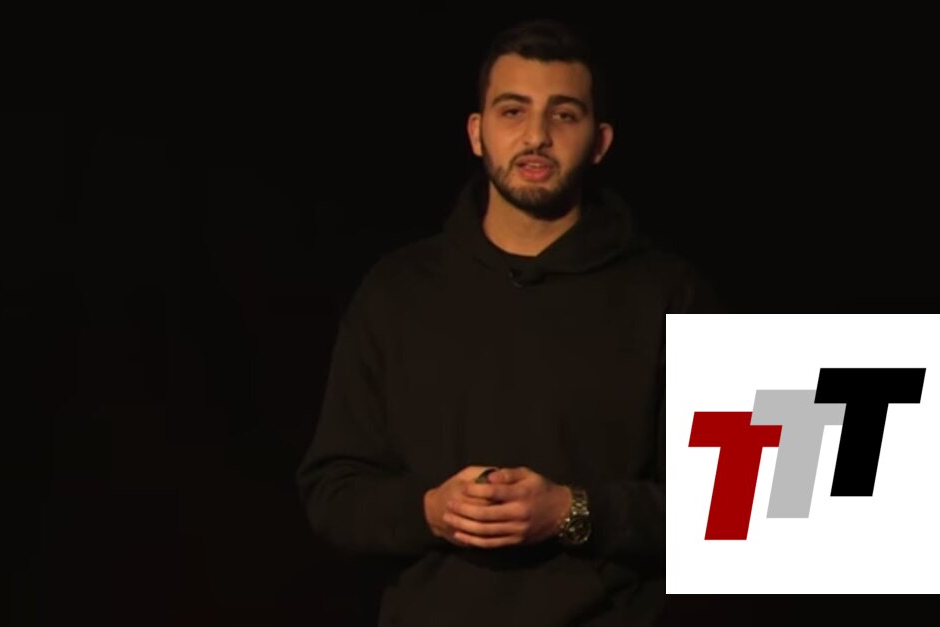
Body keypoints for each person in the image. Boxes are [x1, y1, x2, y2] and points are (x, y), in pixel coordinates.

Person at [295, 18, 719, 627]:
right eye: (513, 111)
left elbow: (731, 506)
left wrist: (572, 511)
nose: (537, 136)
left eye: (564, 115)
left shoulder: (670, 294)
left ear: (599, 142)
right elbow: (332, 491)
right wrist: (431, 510)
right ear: (477, 133)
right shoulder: (396, 289)